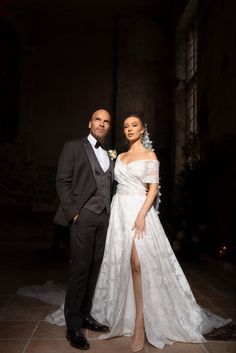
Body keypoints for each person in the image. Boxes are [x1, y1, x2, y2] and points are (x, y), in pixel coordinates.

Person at [90, 114, 231, 351]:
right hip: (119, 211)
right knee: (122, 262)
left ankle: (140, 322)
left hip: (138, 211)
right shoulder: (120, 156)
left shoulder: (149, 155)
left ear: (143, 129)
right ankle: (124, 315)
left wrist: (142, 215)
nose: (129, 129)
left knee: (138, 262)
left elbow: (153, 189)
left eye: (134, 125)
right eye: (125, 126)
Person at [54, 108, 114, 350]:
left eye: (106, 121)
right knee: (80, 269)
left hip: (104, 218)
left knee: (95, 268)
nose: (101, 124)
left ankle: (86, 315)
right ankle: (74, 326)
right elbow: (62, 181)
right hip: (83, 216)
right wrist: (74, 213)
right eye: (98, 119)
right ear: (90, 123)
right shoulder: (73, 147)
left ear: (109, 127)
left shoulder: (111, 153)